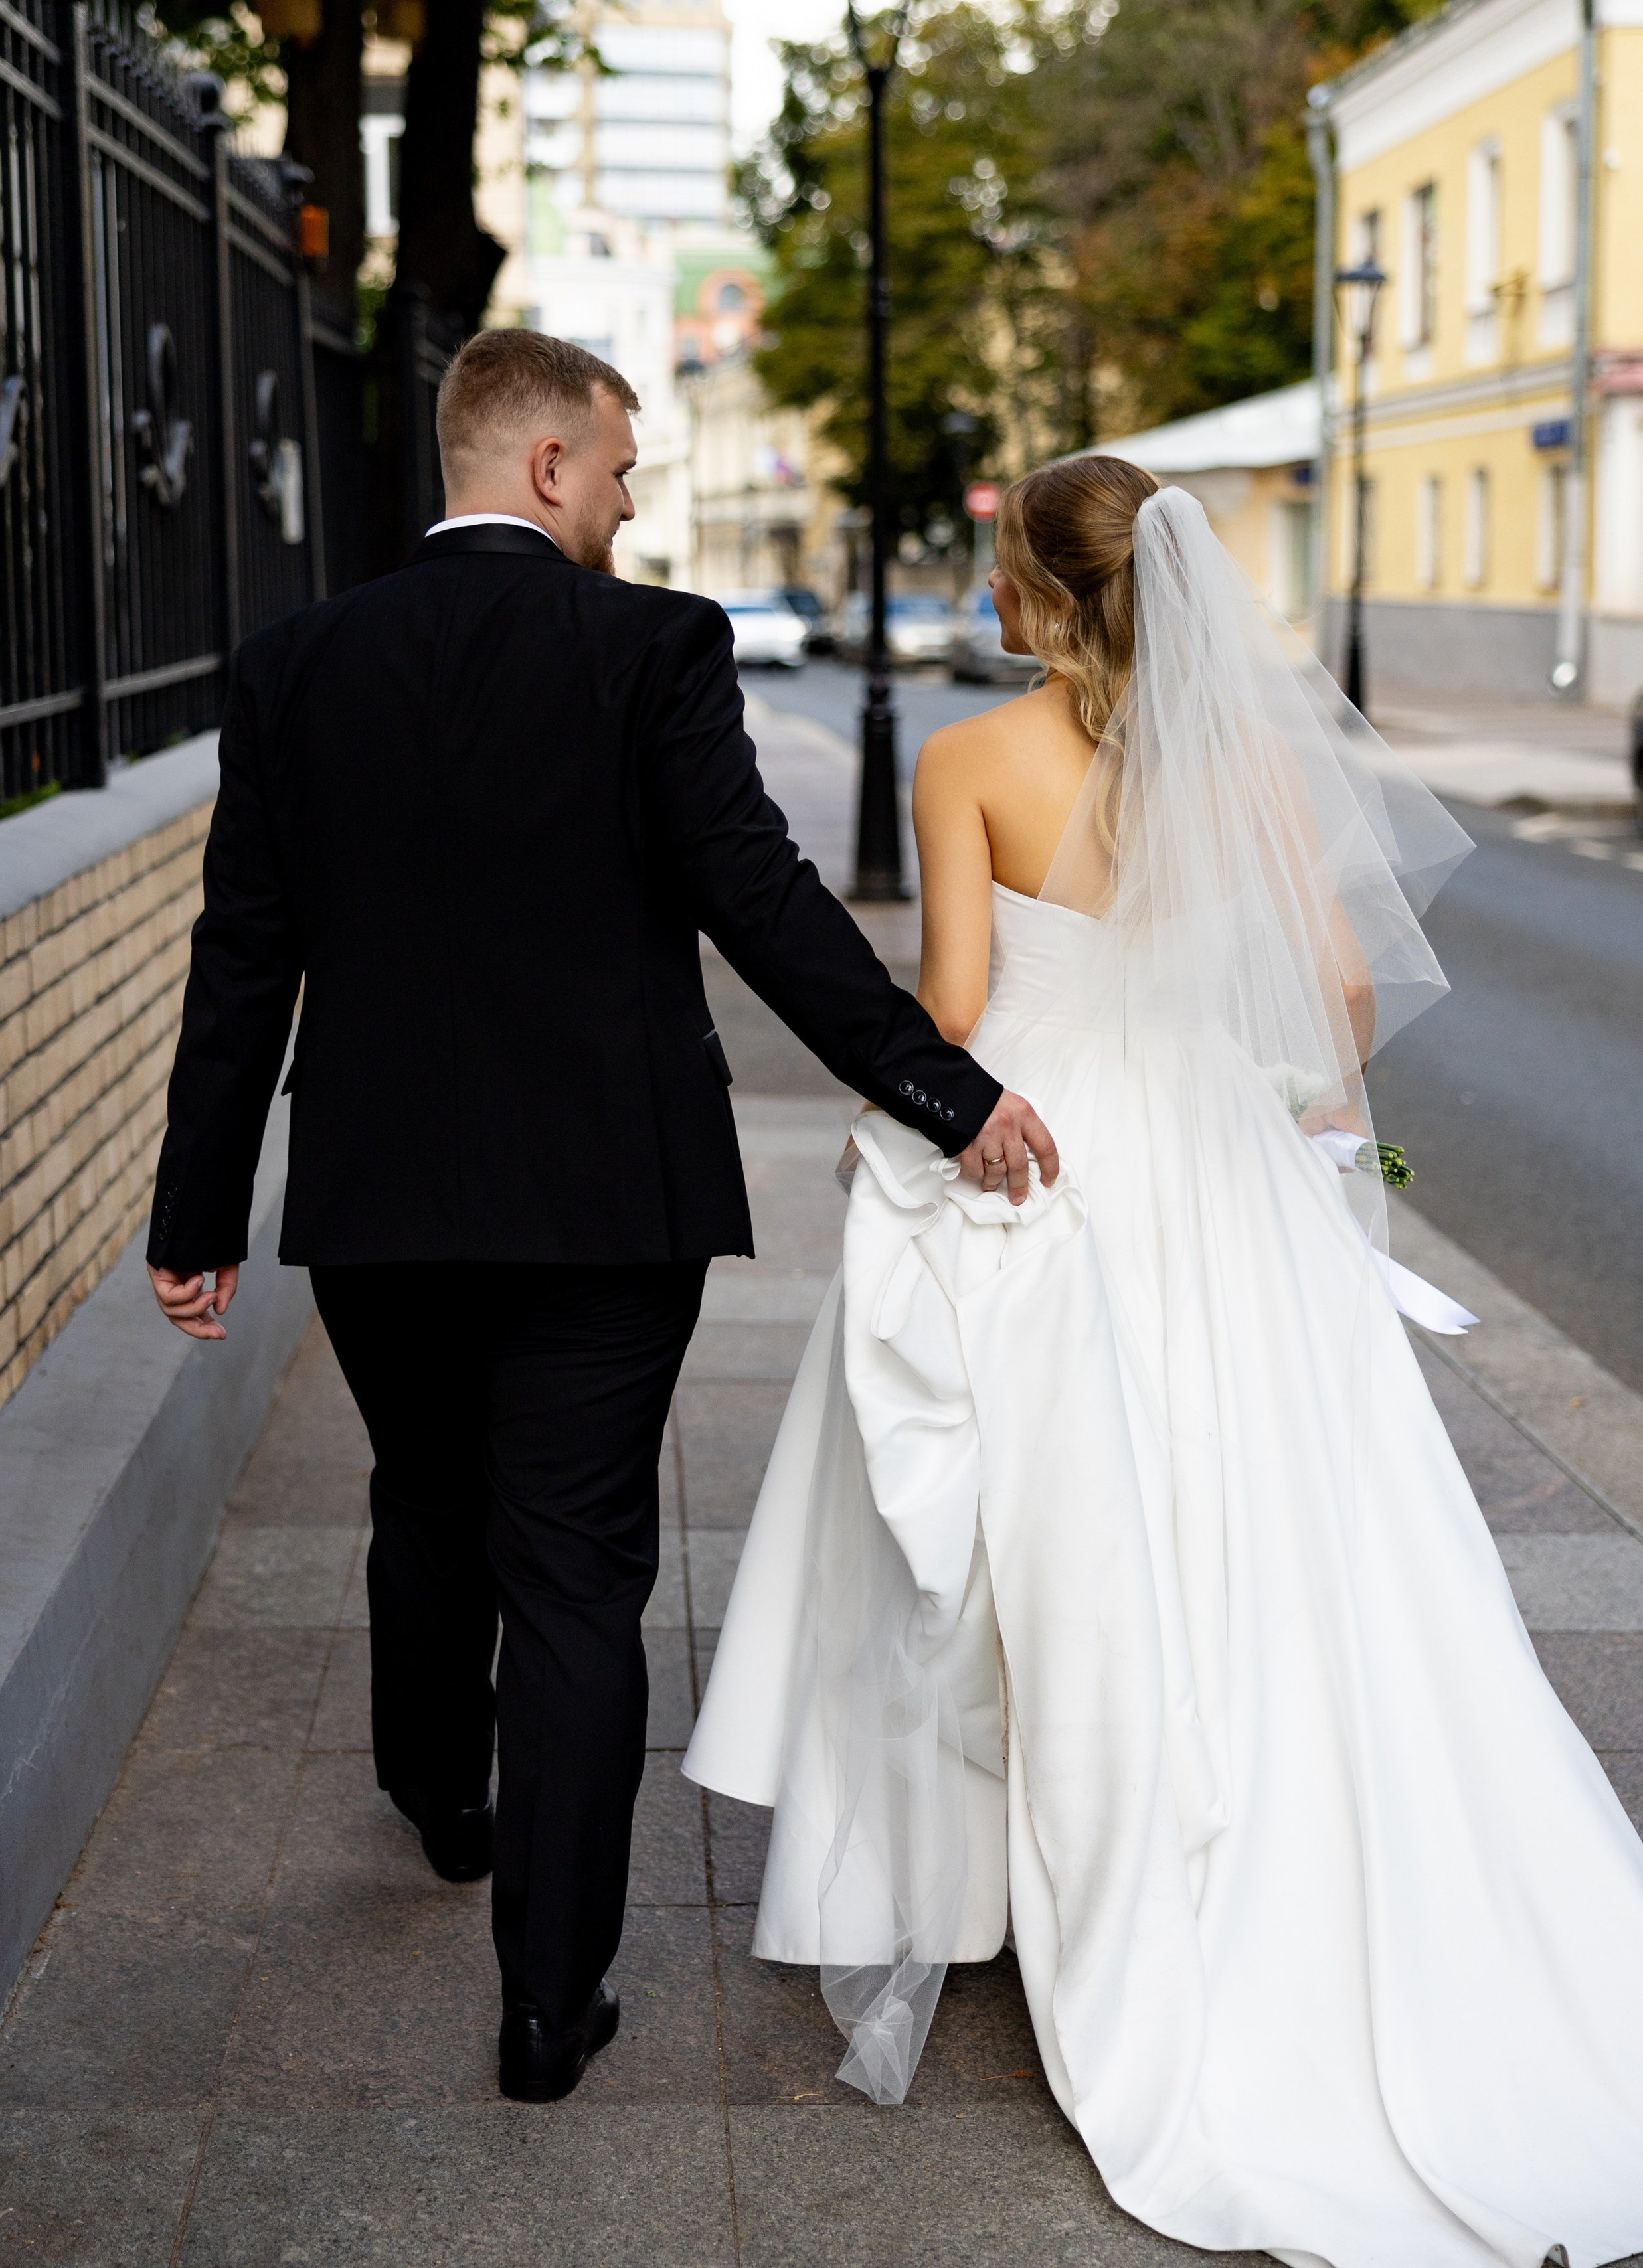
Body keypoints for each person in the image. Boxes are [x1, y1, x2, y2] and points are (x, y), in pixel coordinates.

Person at [685, 459, 1643, 2266]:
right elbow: (1342, 997)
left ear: (1048, 599)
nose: (979, 599)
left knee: (1044, 1547)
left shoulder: (970, 764)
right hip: (1221, 1178)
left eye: (991, 572)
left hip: (1055, 1177)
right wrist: (1268, 1090)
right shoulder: (1249, 765)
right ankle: (1302, 1860)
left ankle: (1018, 1872)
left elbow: (958, 1018)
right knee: (1291, 1525)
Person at [144, 329, 1055, 2104]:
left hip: (380, 1195)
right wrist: (944, 1091)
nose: (634, 506)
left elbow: (242, 949)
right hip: (604, 1201)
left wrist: (199, 1208)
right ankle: (548, 2005)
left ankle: (438, 1788)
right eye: (624, 472)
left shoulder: (292, 665)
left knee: (424, 1490)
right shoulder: (650, 648)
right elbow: (763, 902)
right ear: (548, 463)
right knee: (575, 1573)